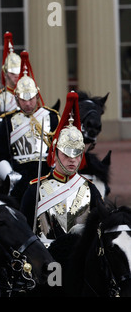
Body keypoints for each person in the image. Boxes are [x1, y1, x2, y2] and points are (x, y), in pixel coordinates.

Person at [20, 91, 104, 247]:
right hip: (46, 261)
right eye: (66, 153)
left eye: (77, 153)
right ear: (55, 153)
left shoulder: (91, 190)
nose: (72, 159)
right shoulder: (35, 190)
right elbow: (23, 234)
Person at [0, 51, 59, 203]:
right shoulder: (8, 121)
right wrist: (9, 175)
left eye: (31, 99)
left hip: (48, 173)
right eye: (23, 100)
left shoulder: (52, 117)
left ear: (37, 96)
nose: (28, 104)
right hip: (20, 174)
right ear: (16, 99)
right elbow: (0, 154)